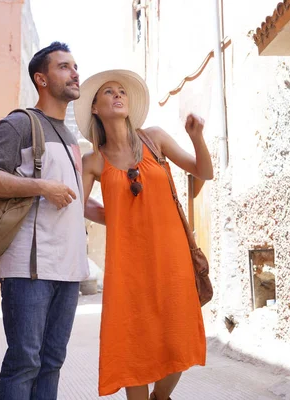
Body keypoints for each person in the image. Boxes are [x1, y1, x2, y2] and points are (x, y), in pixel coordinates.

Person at [75, 70, 213, 400]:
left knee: (178, 340)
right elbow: (79, 205)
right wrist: (118, 218)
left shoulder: (155, 139)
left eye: (121, 90)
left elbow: (204, 172)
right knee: (132, 347)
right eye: (108, 92)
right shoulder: (93, 161)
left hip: (172, 259)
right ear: (95, 108)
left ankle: (160, 397)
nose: (117, 95)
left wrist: (197, 137)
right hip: (128, 268)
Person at [0, 42, 93, 399]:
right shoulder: (21, 123)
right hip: (29, 270)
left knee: (52, 361)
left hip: (68, 271)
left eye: (75, 66)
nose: (75, 73)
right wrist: (40, 187)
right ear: (41, 78)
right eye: (64, 67)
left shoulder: (70, 138)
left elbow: (73, 201)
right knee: (25, 362)